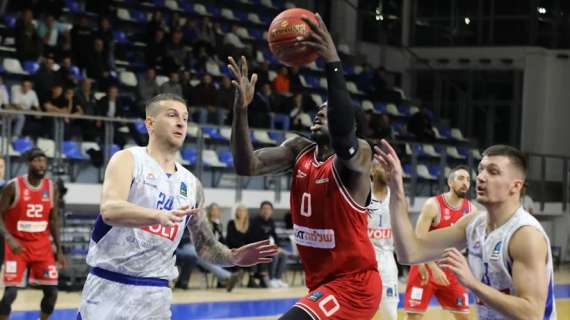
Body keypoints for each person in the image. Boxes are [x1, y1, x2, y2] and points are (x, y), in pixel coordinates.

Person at [229, 12, 380, 319]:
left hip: (353, 286)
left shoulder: (357, 158)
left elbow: (343, 135)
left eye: (328, 111)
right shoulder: (298, 151)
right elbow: (248, 165)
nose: (318, 114)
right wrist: (241, 112)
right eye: (318, 110)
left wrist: (332, 61)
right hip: (320, 285)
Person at [77, 94, 278, 319]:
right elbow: (110, 210)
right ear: (150, 123)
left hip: (156, 295)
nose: (181, 122)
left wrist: (233, 257)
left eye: (185, 117)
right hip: (109, 288)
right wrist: (158, 216)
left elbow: (206, 246)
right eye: (172, 115)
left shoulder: (192, 184)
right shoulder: (128, 159)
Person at [375, 141, 557, 319]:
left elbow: (532, 313)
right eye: (480, 170)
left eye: (493, 172)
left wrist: (472, 283)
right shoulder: (473, 223)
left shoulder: (525, 235)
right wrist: (397, 191)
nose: (481, 177)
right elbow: (410, 254)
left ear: (515, 186)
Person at [0, 148, 65, 320]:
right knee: (10, 294)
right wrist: (9, 238)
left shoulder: (51, 188)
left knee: (52, 292)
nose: (41, 164)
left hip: (42, 246)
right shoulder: (13, 186)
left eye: (43, 160)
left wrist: (59, 249)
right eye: (36, 160)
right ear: (28, 163)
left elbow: (54, 220)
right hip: (17, 246)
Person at [404, 165, 475, 319]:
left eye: (468, 180)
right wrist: (433, 269)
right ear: (450, 182)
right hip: (425, 267)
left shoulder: (471, 210)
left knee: (464, 316)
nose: (465, 183)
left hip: (452, 269)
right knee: (414, 317)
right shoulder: (433, 205)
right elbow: (418, 242)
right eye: (461, 178)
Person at [367, 160, 398, 320]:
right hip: (363, 261)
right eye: (381, 167)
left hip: (386, 261)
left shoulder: (396, 198)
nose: (385, 171)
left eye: (388, 168)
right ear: (371, 171)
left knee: (390, 314)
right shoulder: (361, 196)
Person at [249, 201, 289, 288]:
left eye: (268, 209)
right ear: (260, 210)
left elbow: (275, 236)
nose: (266, 211)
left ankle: (277, 278)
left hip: (269, 248)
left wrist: (278, 247)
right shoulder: (255, 222)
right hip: (258, 249)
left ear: (271, 211)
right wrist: (271, 248)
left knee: (284, 254)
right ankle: (271, 279)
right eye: (264, 209)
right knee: (274, 255)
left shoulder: (271, 221)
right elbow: (256, 238)